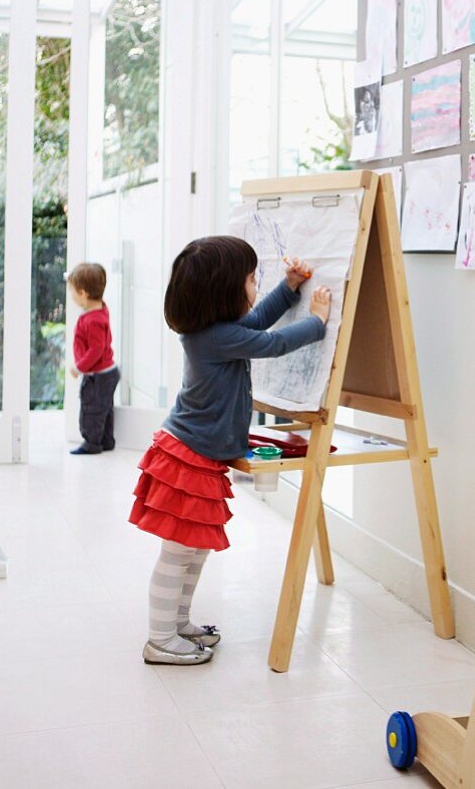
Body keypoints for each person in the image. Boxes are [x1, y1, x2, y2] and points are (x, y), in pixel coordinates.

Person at [129, 235, 331, 666]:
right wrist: (316, 322)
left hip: (197, 453)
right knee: (179, 551)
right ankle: (160, 638)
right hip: (189, 456)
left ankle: (177, 624)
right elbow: (272, 343)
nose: (256, 283)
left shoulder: (217, 332)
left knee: (194, 547)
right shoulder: (215, 338)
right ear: (225, 291)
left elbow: (256, 322)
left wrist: (289, 288)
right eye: (252, 278)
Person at [67, 262, 120, 456]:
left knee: (92, 409)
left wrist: (78, 367)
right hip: (107, 373)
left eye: (72, 291)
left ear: (83, 294)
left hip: (99, 375)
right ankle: (106, 441)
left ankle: (92, 443)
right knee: (104, 408)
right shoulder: (100, 310)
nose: (71, 294)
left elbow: (96, 349)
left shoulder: (94, 320)